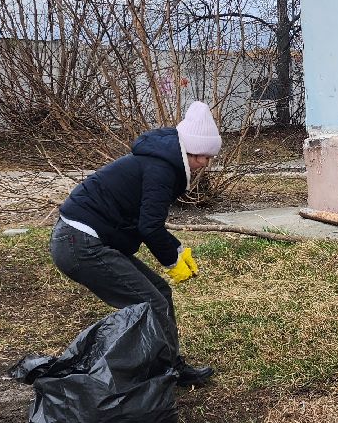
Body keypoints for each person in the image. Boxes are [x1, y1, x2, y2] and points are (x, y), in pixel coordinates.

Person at [49, 101, 222, 389]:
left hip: (82, 239)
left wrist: (177, 250)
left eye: (209, 157)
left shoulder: (160, 162)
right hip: (80, 243)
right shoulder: (162, 169)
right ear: (190, 150)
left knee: (159, 292)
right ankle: (160, 374)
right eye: (203, 156)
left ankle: (170, 366)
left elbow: (145, 220)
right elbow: (149, 227)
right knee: (149, 304)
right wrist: (172, 260)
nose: (205, 163)